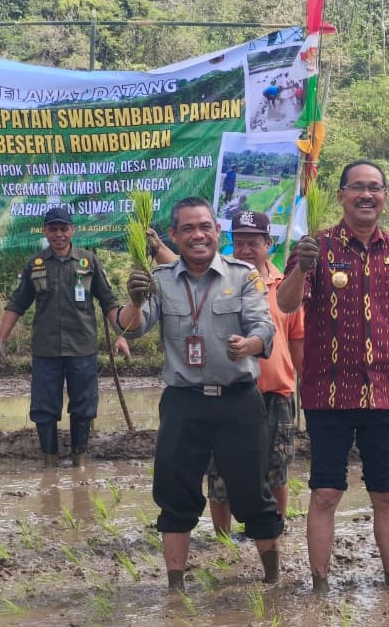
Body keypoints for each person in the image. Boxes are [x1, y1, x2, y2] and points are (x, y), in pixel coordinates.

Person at [277, 161, 389, 592]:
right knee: (325, 494)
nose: (367, 195)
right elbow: (285, 304)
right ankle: (320, 588)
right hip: (327, 395)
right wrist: (301, 266)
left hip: (384, 394)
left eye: (375, 188)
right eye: (358, 187)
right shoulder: (314, 246)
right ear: (341, 196)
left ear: (386, 198)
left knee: (387, 494)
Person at [118, 197, 282, 592]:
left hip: (238, 400)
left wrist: (249, 345)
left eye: (205, 227)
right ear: (174, 236)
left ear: (217, 233)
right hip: (183, 402)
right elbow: (131, 329)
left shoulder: (242, 276)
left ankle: (273, 581)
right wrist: (135, 300)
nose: (198, 235)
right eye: (188, 229)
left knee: (253, 494)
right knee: (174, 494)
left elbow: (265, 326)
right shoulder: (160, 279)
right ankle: (175, 586)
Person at [0, 207, 129, 467]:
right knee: (44, 408)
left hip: (83, 347)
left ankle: (80, 460)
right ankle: (50, 462)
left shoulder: (89, 261)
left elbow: (108, 301)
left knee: (84, 406)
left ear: (72, 230)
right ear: (45, 231)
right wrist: (1, 339)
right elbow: (16, 304)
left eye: (63, 229)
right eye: (53, 229)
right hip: (46, 350)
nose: (58, 234)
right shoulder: (35, 264)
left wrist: (121, 335)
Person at [206, 211, 304, 532]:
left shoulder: (285, 287)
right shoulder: (216, 282)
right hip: (226, 392)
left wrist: (303, 389)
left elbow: (296, 342)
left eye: (254, 242)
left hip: (275, 393)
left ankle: (275, 531)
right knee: (221, 471)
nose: (246, 249)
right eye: (240, 242)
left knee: (277, 468)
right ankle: (223, 539)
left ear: (269, 244)